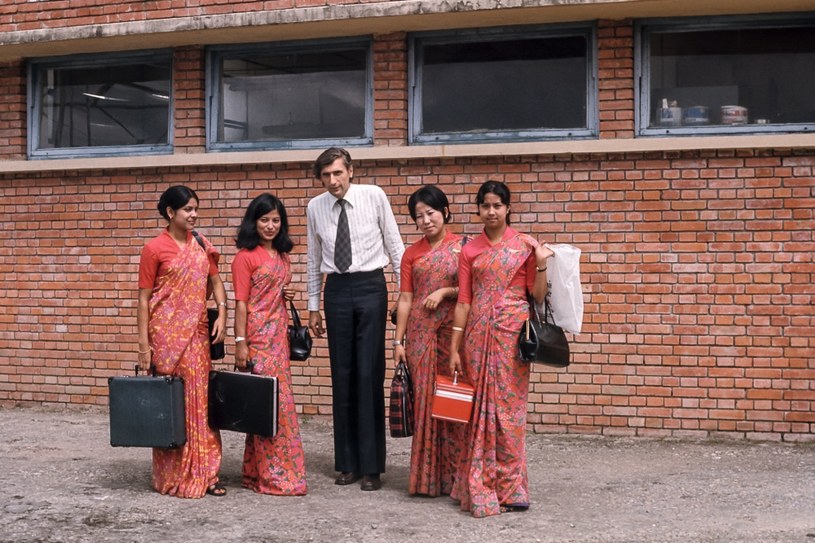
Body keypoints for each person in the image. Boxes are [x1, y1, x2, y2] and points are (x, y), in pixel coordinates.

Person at [448, 180, 554, 518]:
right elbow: (464, 301)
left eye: (498, 205)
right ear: (478, 209)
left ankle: (511, 488)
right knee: (478, 413)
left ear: (508, 208)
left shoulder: (524, 245)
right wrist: (454, 346)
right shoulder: (470, 250)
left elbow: (536, 296)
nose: (491, 212)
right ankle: (479, 483)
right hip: (477, 337)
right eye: (485, 206)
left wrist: (540, 263)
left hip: (512, 337)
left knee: (509, 413)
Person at [306, 147, 405, 492]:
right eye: (326, 176)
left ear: (350, 171)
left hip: (370, 286)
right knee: (342, 375)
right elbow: (313, 257)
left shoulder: (374, 196)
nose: (332, 181)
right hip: (336, 290)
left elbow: (395, 246)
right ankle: (347, 463)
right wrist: (313, 305)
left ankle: (372, 467)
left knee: (368, 373)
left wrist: (403, 294)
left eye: (337, 173)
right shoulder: (315, 207)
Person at [137, 185, 226, 498]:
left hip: (198, 334)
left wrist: (223, 314)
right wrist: (143, 346)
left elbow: (215, 281)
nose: (194, 214)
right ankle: (171, 475)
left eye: (195, 208)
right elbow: (144, 299)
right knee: (172, 403)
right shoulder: (153, 249)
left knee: (199, 403)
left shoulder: (201, 244)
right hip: (165, 336)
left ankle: (207, 473)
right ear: (170, 213)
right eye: (187, 209)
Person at [231, 193, 308, 496]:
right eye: (264, 219)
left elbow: (272, 290)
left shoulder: (282, 256)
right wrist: (240, 343)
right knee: (270, 405)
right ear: (254, 221)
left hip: (280, 339)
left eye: (276, 220)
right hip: (258, 338)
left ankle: (254, 473)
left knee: (272, 404)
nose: (271, 225)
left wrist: (284, 294)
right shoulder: (244, 257)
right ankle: (276, 476)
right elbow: (241, 304)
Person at [393, 185, 464, 497]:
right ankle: (427, 481)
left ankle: (456, 478)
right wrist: (398, 341)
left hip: (454, 335)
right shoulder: (412, 253)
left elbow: (472, 292)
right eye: (419, 216)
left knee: (454, 403)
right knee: (424, 404)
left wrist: (445, 292)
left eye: (431, 212)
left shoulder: (465, 248)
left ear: (445, 212)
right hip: (420, 335)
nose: (425, 220)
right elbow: (405, 299)